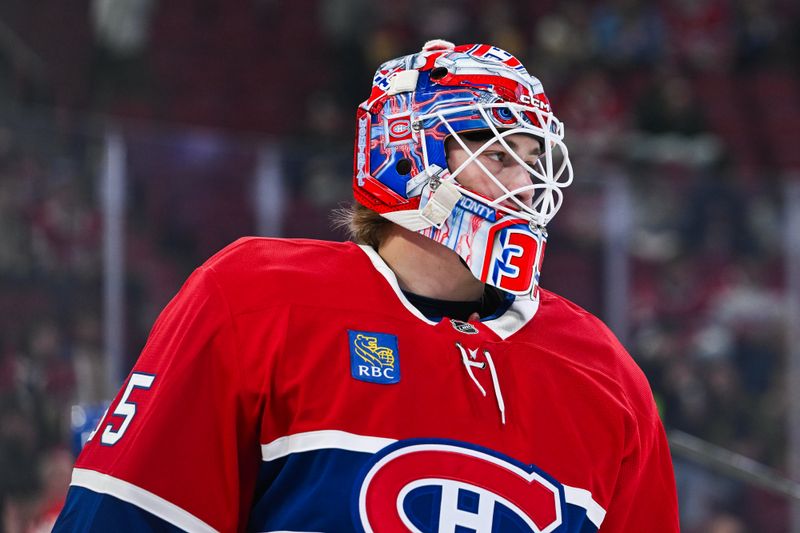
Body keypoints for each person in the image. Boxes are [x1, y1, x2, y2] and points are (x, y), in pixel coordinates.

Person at [54, 40, 679, 532]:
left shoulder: (608, 379)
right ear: (407, 156)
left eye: (531, 159)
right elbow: (128, 515)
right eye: (495, 154)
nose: (525, 184)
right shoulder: (254, 299)